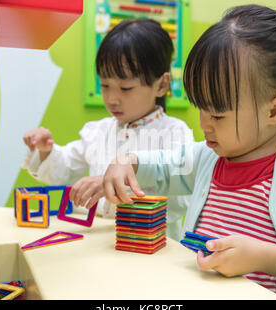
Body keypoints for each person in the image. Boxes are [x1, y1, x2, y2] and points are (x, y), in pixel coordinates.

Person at [102, 5, 276, 299]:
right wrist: (128, 161)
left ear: (275, 110)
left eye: (218, 115)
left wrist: (266, 257)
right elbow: (165, 165)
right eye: (200, 106)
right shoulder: (208, 158)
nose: (204, 124)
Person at [22, 19, 193, 240]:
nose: (112, 99)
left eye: (126, 88)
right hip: (94, 240)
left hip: (148, 244)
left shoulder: (174, 133)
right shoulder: (98, 131)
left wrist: (114, 186)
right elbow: (65, 170)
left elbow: (181, 193)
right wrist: (46, 151)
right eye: (105, 85)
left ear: (161, 85)